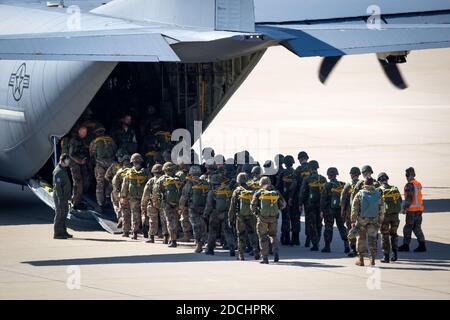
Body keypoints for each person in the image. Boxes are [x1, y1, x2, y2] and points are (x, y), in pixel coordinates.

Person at [251, 176, 286, 264]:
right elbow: (283, 204)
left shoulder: (258, 192)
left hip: (262, 218)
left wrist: (257, 213)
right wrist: (276, 210)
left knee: (263, 237)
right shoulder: (276, 192)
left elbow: (253, 205)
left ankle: (265, 258)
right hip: (273, 218)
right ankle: (276, 252)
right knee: (273, 235)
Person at [351, 177, 385, 266]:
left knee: (361, 239)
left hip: (362, 220)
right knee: (372, 239)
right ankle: (372, 259)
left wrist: (353, 220)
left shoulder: (360, 193)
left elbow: (354, 208)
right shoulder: (378, 194)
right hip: (374, 220)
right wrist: (380, 221)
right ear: (372, 184)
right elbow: (382, 209)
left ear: (364, 184)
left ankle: (361, 259)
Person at [228, 173, 260, 261]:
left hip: (240, 216)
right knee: (252, 233)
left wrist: (230, 218)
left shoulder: (237, 191)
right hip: (251, 215)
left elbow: (232, 206)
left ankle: (241, 255)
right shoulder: (253, 190)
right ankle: (256, 251)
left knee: (240, 235)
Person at [203, 174, 236, 256]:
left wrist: (205, 215)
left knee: (212, 232)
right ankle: (232, 248)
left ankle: (210, 249)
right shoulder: (228, 190)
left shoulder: (212, 192)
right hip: (226, 213)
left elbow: (209, 205)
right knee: (228, 231)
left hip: (215, 213)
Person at [179, 165, 209, 252]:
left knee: (195, 226)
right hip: (204, 207)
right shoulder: (205, 182)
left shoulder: (189, 183)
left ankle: (198, 244)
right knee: (203, 224)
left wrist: (181, 207)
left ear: (190, 173)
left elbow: (184, 196)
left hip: (193, 207)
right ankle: (204, 241)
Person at [299, 160, 327, 251]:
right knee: (319, 224)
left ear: (310, 169)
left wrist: (300, 204)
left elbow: (303, 192)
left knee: (311, 224)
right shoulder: (323, 178)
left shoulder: (307, 179)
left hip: (310, 205)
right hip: (321, 205)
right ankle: (317, 241)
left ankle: (314, 243)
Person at [153, 162, 183, 247]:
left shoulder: (161, 179)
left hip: (167, 204)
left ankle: (173, 240)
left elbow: (156, 192)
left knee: (169, 221)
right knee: (175, 221)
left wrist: (156, 202)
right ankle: (173, 237)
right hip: (177, 204)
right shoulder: (178, 179)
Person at [320, 167, 349, 253]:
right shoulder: (342, 185)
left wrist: (322, 210)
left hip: (329, 210)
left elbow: (323, 199)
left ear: (329, 175)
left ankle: (327, 246)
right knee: (341, 227)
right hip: (340, 210)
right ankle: (346, 244)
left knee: (328, 227)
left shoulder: (327, 185)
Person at [120, 153, 148, 240]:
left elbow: (125, 185)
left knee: (135, 214)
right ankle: (145, 228)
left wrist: (123, 196)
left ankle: (135, 233)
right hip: (144, 196)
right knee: (144, 213)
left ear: (132, 162)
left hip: (133, 197)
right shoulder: (146, 172)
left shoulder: (129, 172)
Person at [398, 167, 426, 252]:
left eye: (407, 175)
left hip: (412, 211)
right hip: (419, 210)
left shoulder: (409, 185)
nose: (406, 177)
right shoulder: (417, 184)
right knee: (417, 228)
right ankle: (422, 245)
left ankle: (406, 246)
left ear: (409, 175)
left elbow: (409, 198)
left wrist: (404, 208)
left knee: (407, 228)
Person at [89, 126, 117, 210]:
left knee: (100, 184)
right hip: (111, 164)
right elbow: (115, 150)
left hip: (100, 165)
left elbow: (92, 154)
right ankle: (108, 199)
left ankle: (100, 203)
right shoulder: (111, 140)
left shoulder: (94, 142)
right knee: (110, 182)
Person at [377, 172, 402, 263]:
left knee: (384, 235)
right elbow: (400, 200)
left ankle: (386, 256)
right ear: (387, 179)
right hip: (395, 216)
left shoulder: (379, 190)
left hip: (385, 217)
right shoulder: (394, 188)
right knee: (394, 234)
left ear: (379, 181)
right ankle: (395, 255)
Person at [141, 164, 168, 244]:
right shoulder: (165, 179)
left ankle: (151, 237)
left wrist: (143, 205)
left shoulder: (151, 180)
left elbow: (145, 194)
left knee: (152, 220)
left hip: (152, 203)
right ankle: (166, 237)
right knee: (164, 220)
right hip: (163, 203)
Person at [288, 151, 310, 246]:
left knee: (296, 218)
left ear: (300, 159)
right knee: (310, 218)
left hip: (298, 196)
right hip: (309, 196)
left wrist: (290, 197)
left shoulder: (298, 169)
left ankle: (295, 239)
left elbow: (294, 185)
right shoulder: (312, 168)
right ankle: (309, 240)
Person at [340, 167, 362, 257]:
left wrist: (342, 211)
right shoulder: (362, 184)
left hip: (350, 213)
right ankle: (361, 249)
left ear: (352, 175)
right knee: (361, 231)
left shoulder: (348, 185)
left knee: (351, 230)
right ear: (359, 174)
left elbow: (343, 199)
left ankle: (353, 249)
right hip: (361, 213)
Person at [105, 150, 130, 225]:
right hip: (131, 192)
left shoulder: (118, 169)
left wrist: (113, 184)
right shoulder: (134, 170)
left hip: (118, 190)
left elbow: (107, 176)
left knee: (116, 204)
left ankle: (120, 218)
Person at [68, 126, 90, 210]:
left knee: (85, 182)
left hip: (83, 164)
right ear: (79, 131)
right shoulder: (74, 141)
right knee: (78, 183)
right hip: (75, 164)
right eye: (83, 132)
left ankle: (79, 200)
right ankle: (75, 202)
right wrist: (80, 161)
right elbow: (71, 154)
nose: (85, 134)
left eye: (86, 132)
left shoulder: (83, 140)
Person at [52, 154, 73, 239]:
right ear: (62, 161)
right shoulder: (58, 171)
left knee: (64, 214)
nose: (68, 163)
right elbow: (57, 187)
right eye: (67, 161)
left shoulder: (63, 169)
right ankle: (57, 233)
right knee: (59, 214)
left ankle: (63, 232)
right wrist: (60, 198)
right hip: (60, 197)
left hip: (64, 196)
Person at [277, 155, 296, 246]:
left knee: (285, 218)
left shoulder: (282, 173)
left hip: (284, 199)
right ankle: (295, 239)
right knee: (294, 218)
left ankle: (285, 238)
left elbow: (278, 187)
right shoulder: (296, 173)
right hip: (294, 199)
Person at [176, 163, 193, 242]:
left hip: (184, 198)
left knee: (184, 218)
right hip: (193, 201)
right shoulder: (194, 175)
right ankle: (197, 238)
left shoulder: (179, 174)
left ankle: (186, 236)